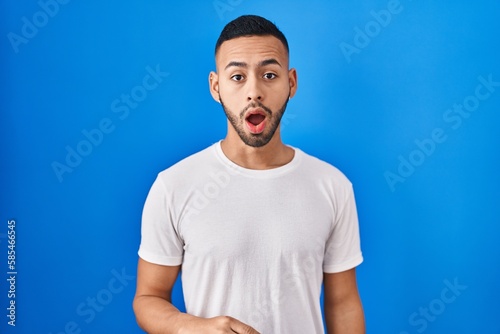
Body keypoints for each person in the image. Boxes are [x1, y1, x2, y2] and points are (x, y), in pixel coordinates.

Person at [133, 14, 365, 334]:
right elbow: (148, 297)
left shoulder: (332, 185)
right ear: (216, 86)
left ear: (291, 83)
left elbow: (343, 302)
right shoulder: (174, 185)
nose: (254, 91)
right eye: (238, 77)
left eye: (269, 74)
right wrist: (192, 328)